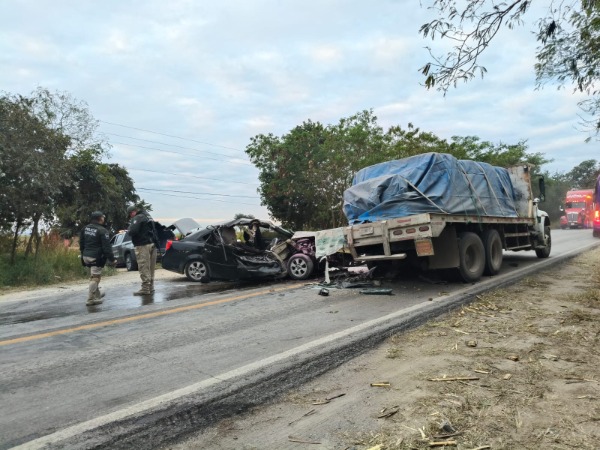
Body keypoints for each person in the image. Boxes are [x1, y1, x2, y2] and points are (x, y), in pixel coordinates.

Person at [79, 211, 116, 306]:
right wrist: (112, 259)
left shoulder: (85, 228)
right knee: (95, 278)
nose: (104, 219)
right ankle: (90, 299)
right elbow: (107, 248)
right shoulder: (102, 230)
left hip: (86, 256)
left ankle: (97, 295)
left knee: (93, 277)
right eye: (103, 217)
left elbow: (81, 243)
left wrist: (83, 255)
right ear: (100, 218)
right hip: (96, 257)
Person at [127, 205, 159, 295]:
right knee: (151, 268)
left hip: (142, 245)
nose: (131, 217)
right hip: (152, 244)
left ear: (132, 212)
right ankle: (151, 287)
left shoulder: (138, 218)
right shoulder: (148, 216)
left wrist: (128, 230)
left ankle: (145, 288)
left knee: (143, 266)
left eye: (130, 215)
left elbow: (132, 231)